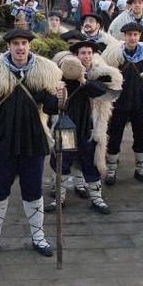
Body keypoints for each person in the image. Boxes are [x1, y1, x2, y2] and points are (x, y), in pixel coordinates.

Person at [0, 29, 63, 258]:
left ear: (29, 46)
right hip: (2, 143)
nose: (20, 48)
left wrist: (61, 97)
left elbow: (50, 106)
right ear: (8, 46)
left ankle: (38, 237)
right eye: (16, 44)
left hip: (33, 141)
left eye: (24, 43)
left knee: (33, 190)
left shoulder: (42, 71)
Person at [46, 42, 122, 215]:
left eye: (89, 53)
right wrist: (58, 98)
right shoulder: (62, 75)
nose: (86, 56)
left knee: (91, 161)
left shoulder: (99, 73)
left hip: (89, 128)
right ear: (76, 55)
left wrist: (84, 80)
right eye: (83, 53)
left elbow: (103, 92)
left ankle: (97, 199)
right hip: (66, 128)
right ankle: (59, 198)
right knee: (62, 161)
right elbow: (49, 106)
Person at [101, 22, 143, 185]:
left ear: (140, 36)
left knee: (141, 135)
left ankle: (140, 169)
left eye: (135, 34)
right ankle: (111, 170)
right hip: (119, 103)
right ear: (124, 36)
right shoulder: (115, 56)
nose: (132, 38)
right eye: (129, 35)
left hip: (140, 103)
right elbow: (106, 79)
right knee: (115, 136)